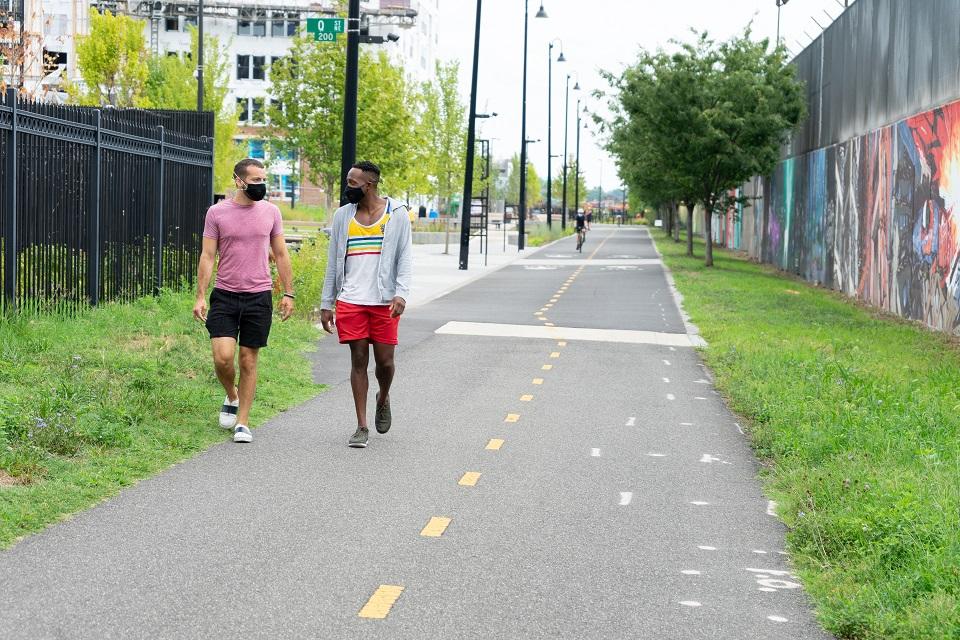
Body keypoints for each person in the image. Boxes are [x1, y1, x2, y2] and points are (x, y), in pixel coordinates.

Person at [193, 158, 294, 444]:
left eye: (264, 180)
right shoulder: (217, 213)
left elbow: (282, 254)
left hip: (258, 295)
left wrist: (288, 292)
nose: (261, 185)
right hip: (225, 295)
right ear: (239, 181)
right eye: (255, 180)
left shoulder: (271, 212)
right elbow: (207, 256)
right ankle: (231, 395)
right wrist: (201, 296)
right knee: (223, 357)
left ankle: (243, 422)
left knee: (248, 360)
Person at [320, 161, 412, 449]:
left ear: (369, 185)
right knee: (358, 360)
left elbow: (405, 258)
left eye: (352, 183)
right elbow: (333, 261)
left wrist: (401, 293)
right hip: (351, 300)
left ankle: (382, 398)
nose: (348, 187)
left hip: (384, 301)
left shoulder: (396, 215)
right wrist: (327, 302)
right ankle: (361, 426)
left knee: (385, 362)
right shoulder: (342, 216)